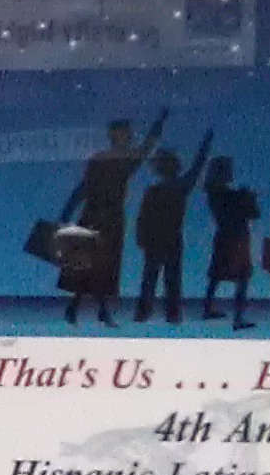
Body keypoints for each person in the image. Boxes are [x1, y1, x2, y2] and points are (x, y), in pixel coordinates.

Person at [57, 108, 167, 326]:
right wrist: (68, 211)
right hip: (101, 216)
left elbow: (146, 147)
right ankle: (90, 310)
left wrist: (68, 211)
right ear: (117, 135)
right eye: (125, 133)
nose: (129, 137)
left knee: (98, 265)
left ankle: (87, 309)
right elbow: (84, 187)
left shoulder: (112, 159)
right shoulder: (112, 159)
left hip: (106, 216)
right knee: (93, 264)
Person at [131, 127, 214, 325]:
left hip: (159, 240)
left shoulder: (157, 190)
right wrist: (205, 146)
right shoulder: (178, 187)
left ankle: (147, 312)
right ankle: (171, 313)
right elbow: (197, 166)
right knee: (169, 278)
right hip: (169, 239)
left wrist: (141, 237)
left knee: (153, 277)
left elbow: (142, 218)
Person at [200, 156, 263, 330]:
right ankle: (238, 318)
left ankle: (207, 307)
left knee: (216, 274)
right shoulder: (231, 195)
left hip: (223, 236)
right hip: (237, 238)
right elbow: (254, 214)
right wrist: (249, 198)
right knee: (242, 276)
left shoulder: (214, 193)